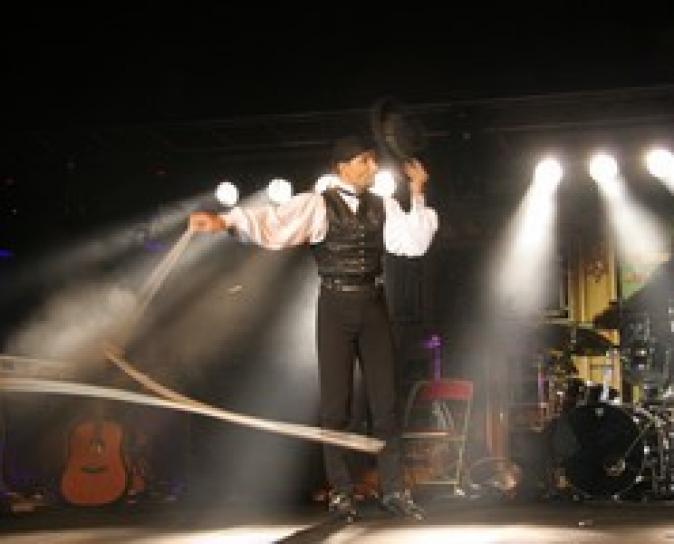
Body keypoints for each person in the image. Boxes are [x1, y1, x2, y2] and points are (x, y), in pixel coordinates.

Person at [189, 133, 438, 520]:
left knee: (386, 404)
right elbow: (272, 223)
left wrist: (418, 191)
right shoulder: (316, 204)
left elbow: (414, 243)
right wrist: (223, 221)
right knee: (336, 408)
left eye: (374, 161)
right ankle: (341, 492)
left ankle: (394, 491)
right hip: (335, 306)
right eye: (365, 161)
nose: (374, 167)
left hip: (373, 305)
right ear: (342, 167)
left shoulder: (383, 204)